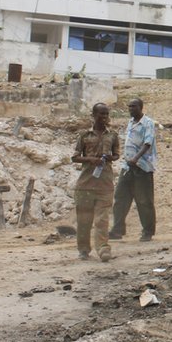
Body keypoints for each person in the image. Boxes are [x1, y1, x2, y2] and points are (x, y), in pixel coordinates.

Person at [71, 102, 120, 262]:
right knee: (84, 220)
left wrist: (108, 158)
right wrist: (91, 160)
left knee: (102, 220)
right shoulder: (85, 135)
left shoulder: (112, 135)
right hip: (85, 184)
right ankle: (83, 249)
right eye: (101, 114)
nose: (104, 117)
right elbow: (75, 157)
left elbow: (117, 154)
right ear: (93, 115)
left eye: (106, 114)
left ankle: (103, 248)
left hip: (105, 184)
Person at [109, 98, 157, 242]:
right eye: (129, 107)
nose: (131, 109)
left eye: (133, 106)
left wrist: (136, 158)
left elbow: (148, 143)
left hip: (142, 167)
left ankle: (148, 231)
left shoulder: (148, 123)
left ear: (141, 107)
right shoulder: (131, 123)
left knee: (144, 201)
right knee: (120, 198)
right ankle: (117, 230)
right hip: (127, 167)